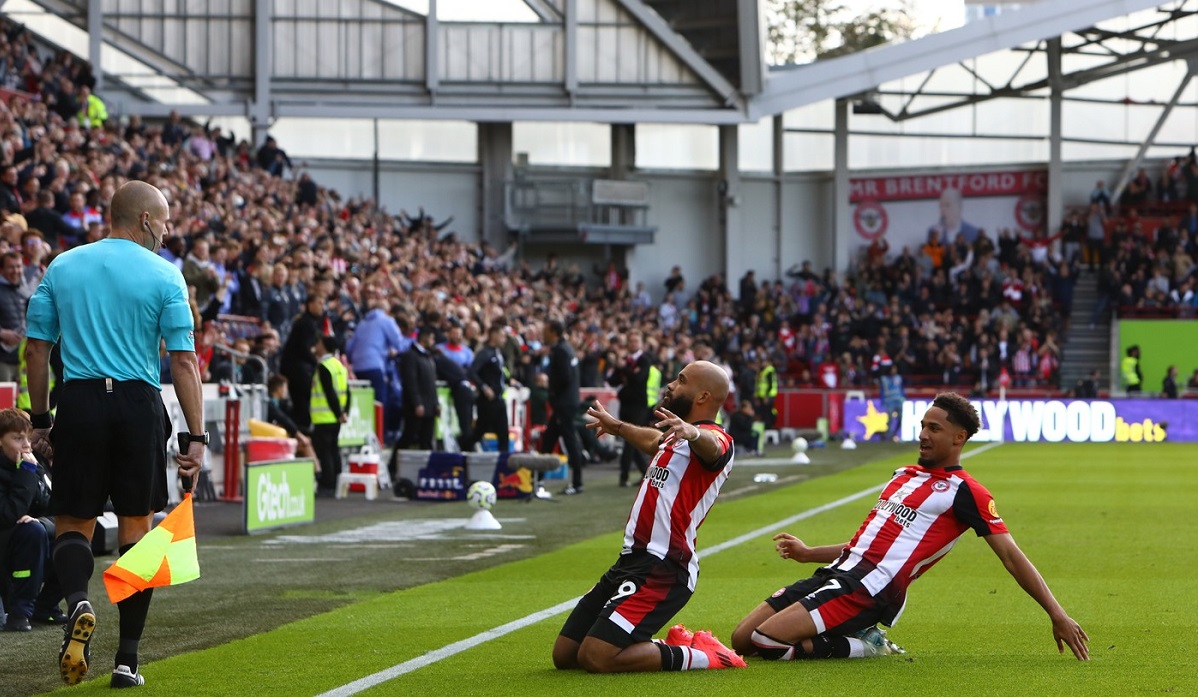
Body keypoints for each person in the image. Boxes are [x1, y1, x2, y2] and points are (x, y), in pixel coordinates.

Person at [729, 393, 1089, 664]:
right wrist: (809, 554)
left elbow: (1011, 555)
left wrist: (1057, 614)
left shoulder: (967, 492)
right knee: (742, 639)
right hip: (836, 573)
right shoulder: (903, 474)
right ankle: (844, 633)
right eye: (922, 426)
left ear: (959, 437)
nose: (924, 435)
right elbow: (866, 544)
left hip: (867, 589)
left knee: (767, 641)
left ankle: (865, 645)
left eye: (935, 428)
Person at [24, 180, 206, 688]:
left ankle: (78, 600)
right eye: (165, 222)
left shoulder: (62, 266)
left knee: (72, 524)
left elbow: (36, 350)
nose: (167, 233)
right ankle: (127, 661)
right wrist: (197, 437)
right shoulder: (166, 275)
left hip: (79, 401)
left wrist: (41, 420)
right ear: (145, 220)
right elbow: (185, 361)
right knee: (135, 534)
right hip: (137, 404)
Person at [552, 360, 744, 673]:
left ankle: (700, 653)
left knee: (596, 657)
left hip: (664, 566)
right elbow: (652, 441)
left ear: (703, 397)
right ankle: (647, 643)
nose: (671, 385)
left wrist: (694, 433)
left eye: (681, 380)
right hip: (630, 561)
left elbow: (712, 448)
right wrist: (616, 427)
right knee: (566, 655)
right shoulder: (674, 436)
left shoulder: (716, 439)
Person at [0, 408, 64, 631]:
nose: (27, 444)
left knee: (74, 539)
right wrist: (26, 471)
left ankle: (45, 607)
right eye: (18, 438)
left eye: (28, 437)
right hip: (8, 549)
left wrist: (42, 523)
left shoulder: (37, 464)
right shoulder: (28, 467)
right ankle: (20, 611)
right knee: (32, 533)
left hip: (27, 545)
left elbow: (60, 512)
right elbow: (8, 515)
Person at [538, 320, 586, 495]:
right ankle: (538, 480)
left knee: (569, 441)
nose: (543, 334)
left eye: (545, 330)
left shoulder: (560, 351)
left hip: (563, 403)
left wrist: (552, 393)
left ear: (553, 331)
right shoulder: (567, 348)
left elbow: (564, 377)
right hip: (568, 402)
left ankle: (577, 482)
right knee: (549, 440)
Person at [607, 332, 652, 488]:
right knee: (632, 440)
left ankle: (624, 475)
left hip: (638, 406)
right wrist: (620, 368)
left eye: (636, 340)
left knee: (630, 439)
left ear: (641, 343)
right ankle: (646, 474)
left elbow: (638, 379)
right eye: (631, 341)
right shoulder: (626, 361)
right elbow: (613, 380)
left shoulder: (644, 360)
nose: (633, 343)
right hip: (625, 405)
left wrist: (624, 369)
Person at [310, 334, 349, 496]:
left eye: (318, 343)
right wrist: (344, 411)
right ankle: (338, 482)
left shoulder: (324, 366)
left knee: (324, 451)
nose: (316, 345)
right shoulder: (339, 366)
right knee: (334, 449)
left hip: (325, 416)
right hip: (336, 417)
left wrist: (338, 412)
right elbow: (347, 391)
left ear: (324, 346)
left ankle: (328, 484)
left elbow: (329, 393)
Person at [469, 324, 511, 453]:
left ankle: (503, 465)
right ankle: (465, 450)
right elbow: (472, 372)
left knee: (503, 434)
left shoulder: (498, 353)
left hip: (499, 399)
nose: (504, 339)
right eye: (502, 336)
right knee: (480, 431)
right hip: (487, 401)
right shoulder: (485, 353)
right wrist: (484, 387)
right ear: (494, 335)